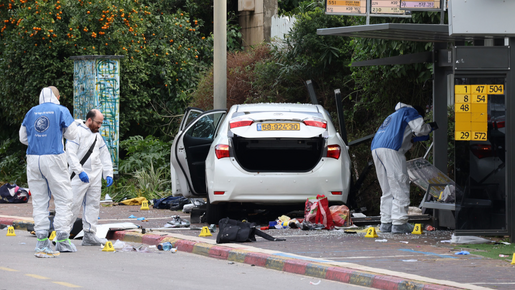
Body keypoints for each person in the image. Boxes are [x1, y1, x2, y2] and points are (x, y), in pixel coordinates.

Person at [19, 86, 79, 255]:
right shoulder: (61, 110)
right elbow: (73, 134)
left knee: (39, 200)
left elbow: (23, 138)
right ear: (57, 96)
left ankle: (41, 240)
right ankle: (62, 239)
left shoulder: (31, 112)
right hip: (54, 157)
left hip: (33, 158)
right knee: (63, 197)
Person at [371, 102, 437, 234]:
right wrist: (431, 126)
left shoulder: (394, 115)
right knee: (400, 185)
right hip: (392, 149)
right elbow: (420, 129)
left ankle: (386, 222)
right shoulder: (410, 112)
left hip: (376, 148)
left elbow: (409, 136)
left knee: (388, 189)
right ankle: (399, 223)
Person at [66, 109, 114, 246]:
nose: (99, 126)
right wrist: (79, 171)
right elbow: (70, 153)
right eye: (98, 123)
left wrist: (108, 173)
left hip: (95, 176)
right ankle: (62, 235)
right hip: (78, 176)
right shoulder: (76, 132)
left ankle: (89, 234)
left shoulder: (97, 136)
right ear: (89, 120)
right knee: (73, 205)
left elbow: (104, 154)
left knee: (93, 205)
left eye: (101, 123)